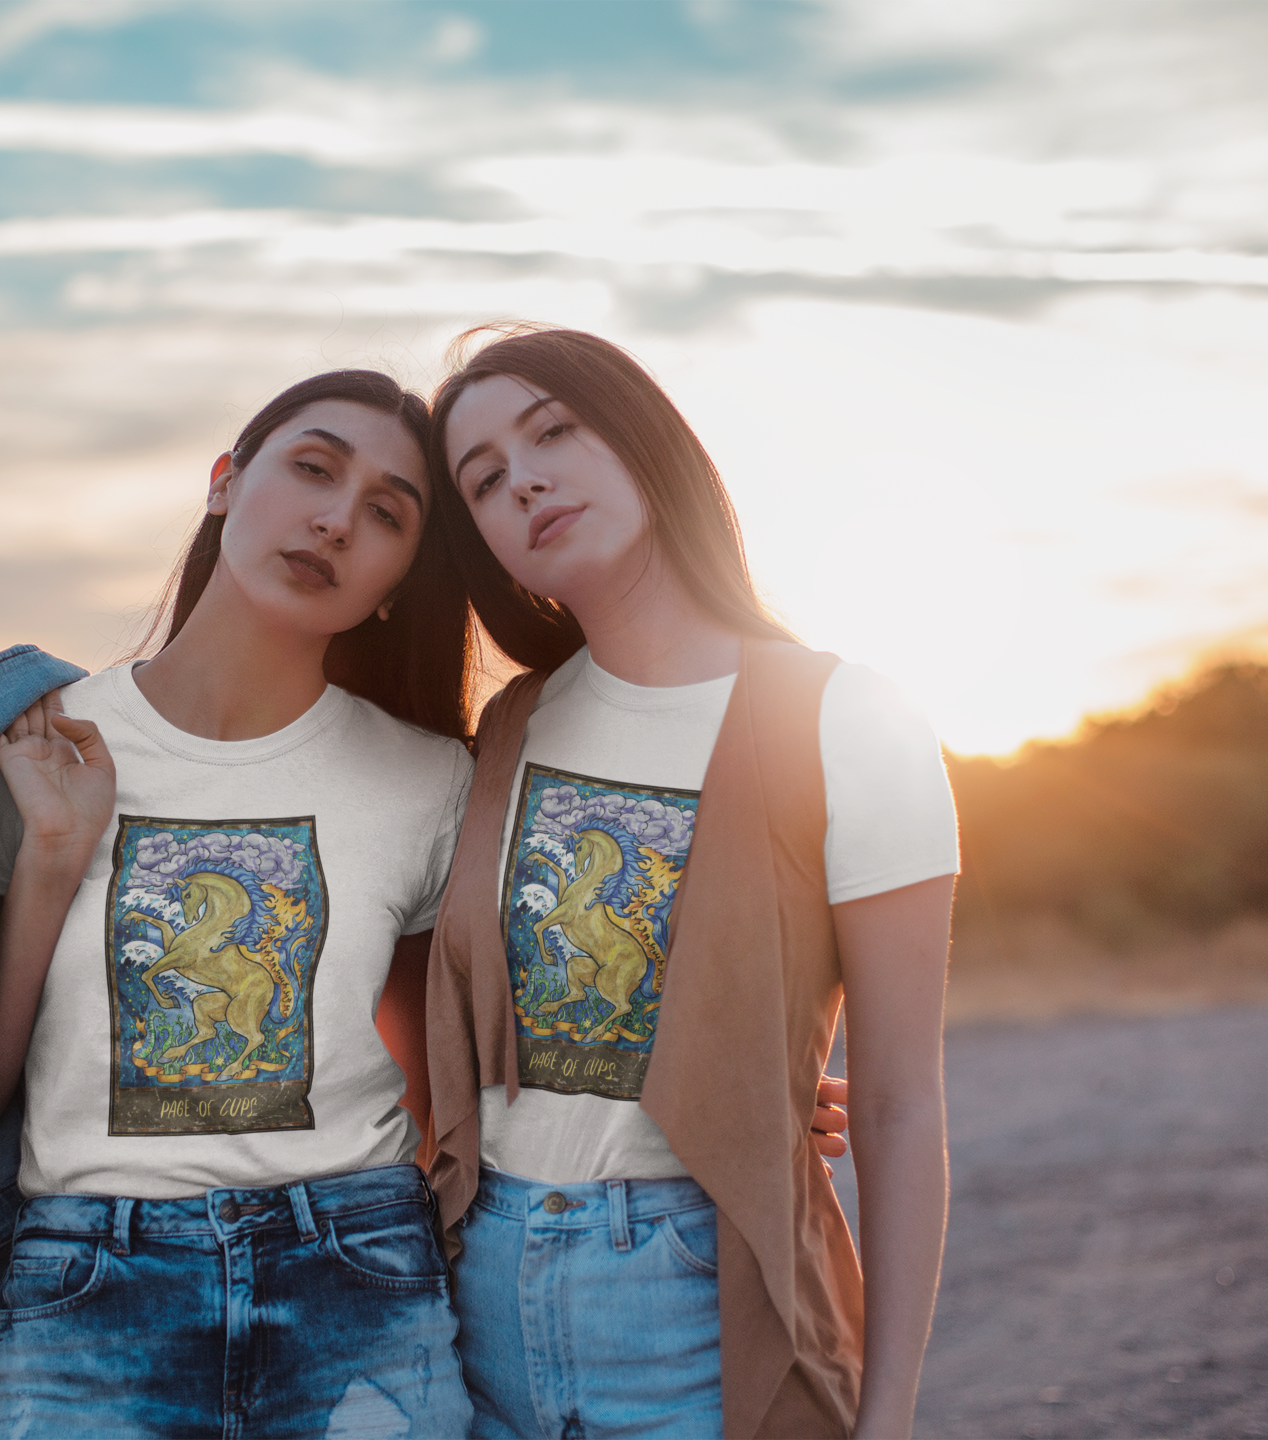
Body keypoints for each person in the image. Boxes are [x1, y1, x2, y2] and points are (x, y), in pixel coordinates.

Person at [0, 362, 854, 1440]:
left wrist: (745, 1077)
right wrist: (47, 862)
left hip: (359, 1283)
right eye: (312, 470)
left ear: (400, 579)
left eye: (385, 516)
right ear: (225, 480)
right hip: (89, 1296)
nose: (333, 521)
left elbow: (465, 1068)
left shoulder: (431, 781)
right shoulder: (28, 750)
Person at [423, 327, 959, 1440]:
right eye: (482, 481)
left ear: (644, 438)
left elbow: (903, 1101)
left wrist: (891, 1413)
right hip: (480, 1303)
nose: (522, 478)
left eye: (552, 431)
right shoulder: (507, 730)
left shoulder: (844, 717)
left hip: (699, 1303)